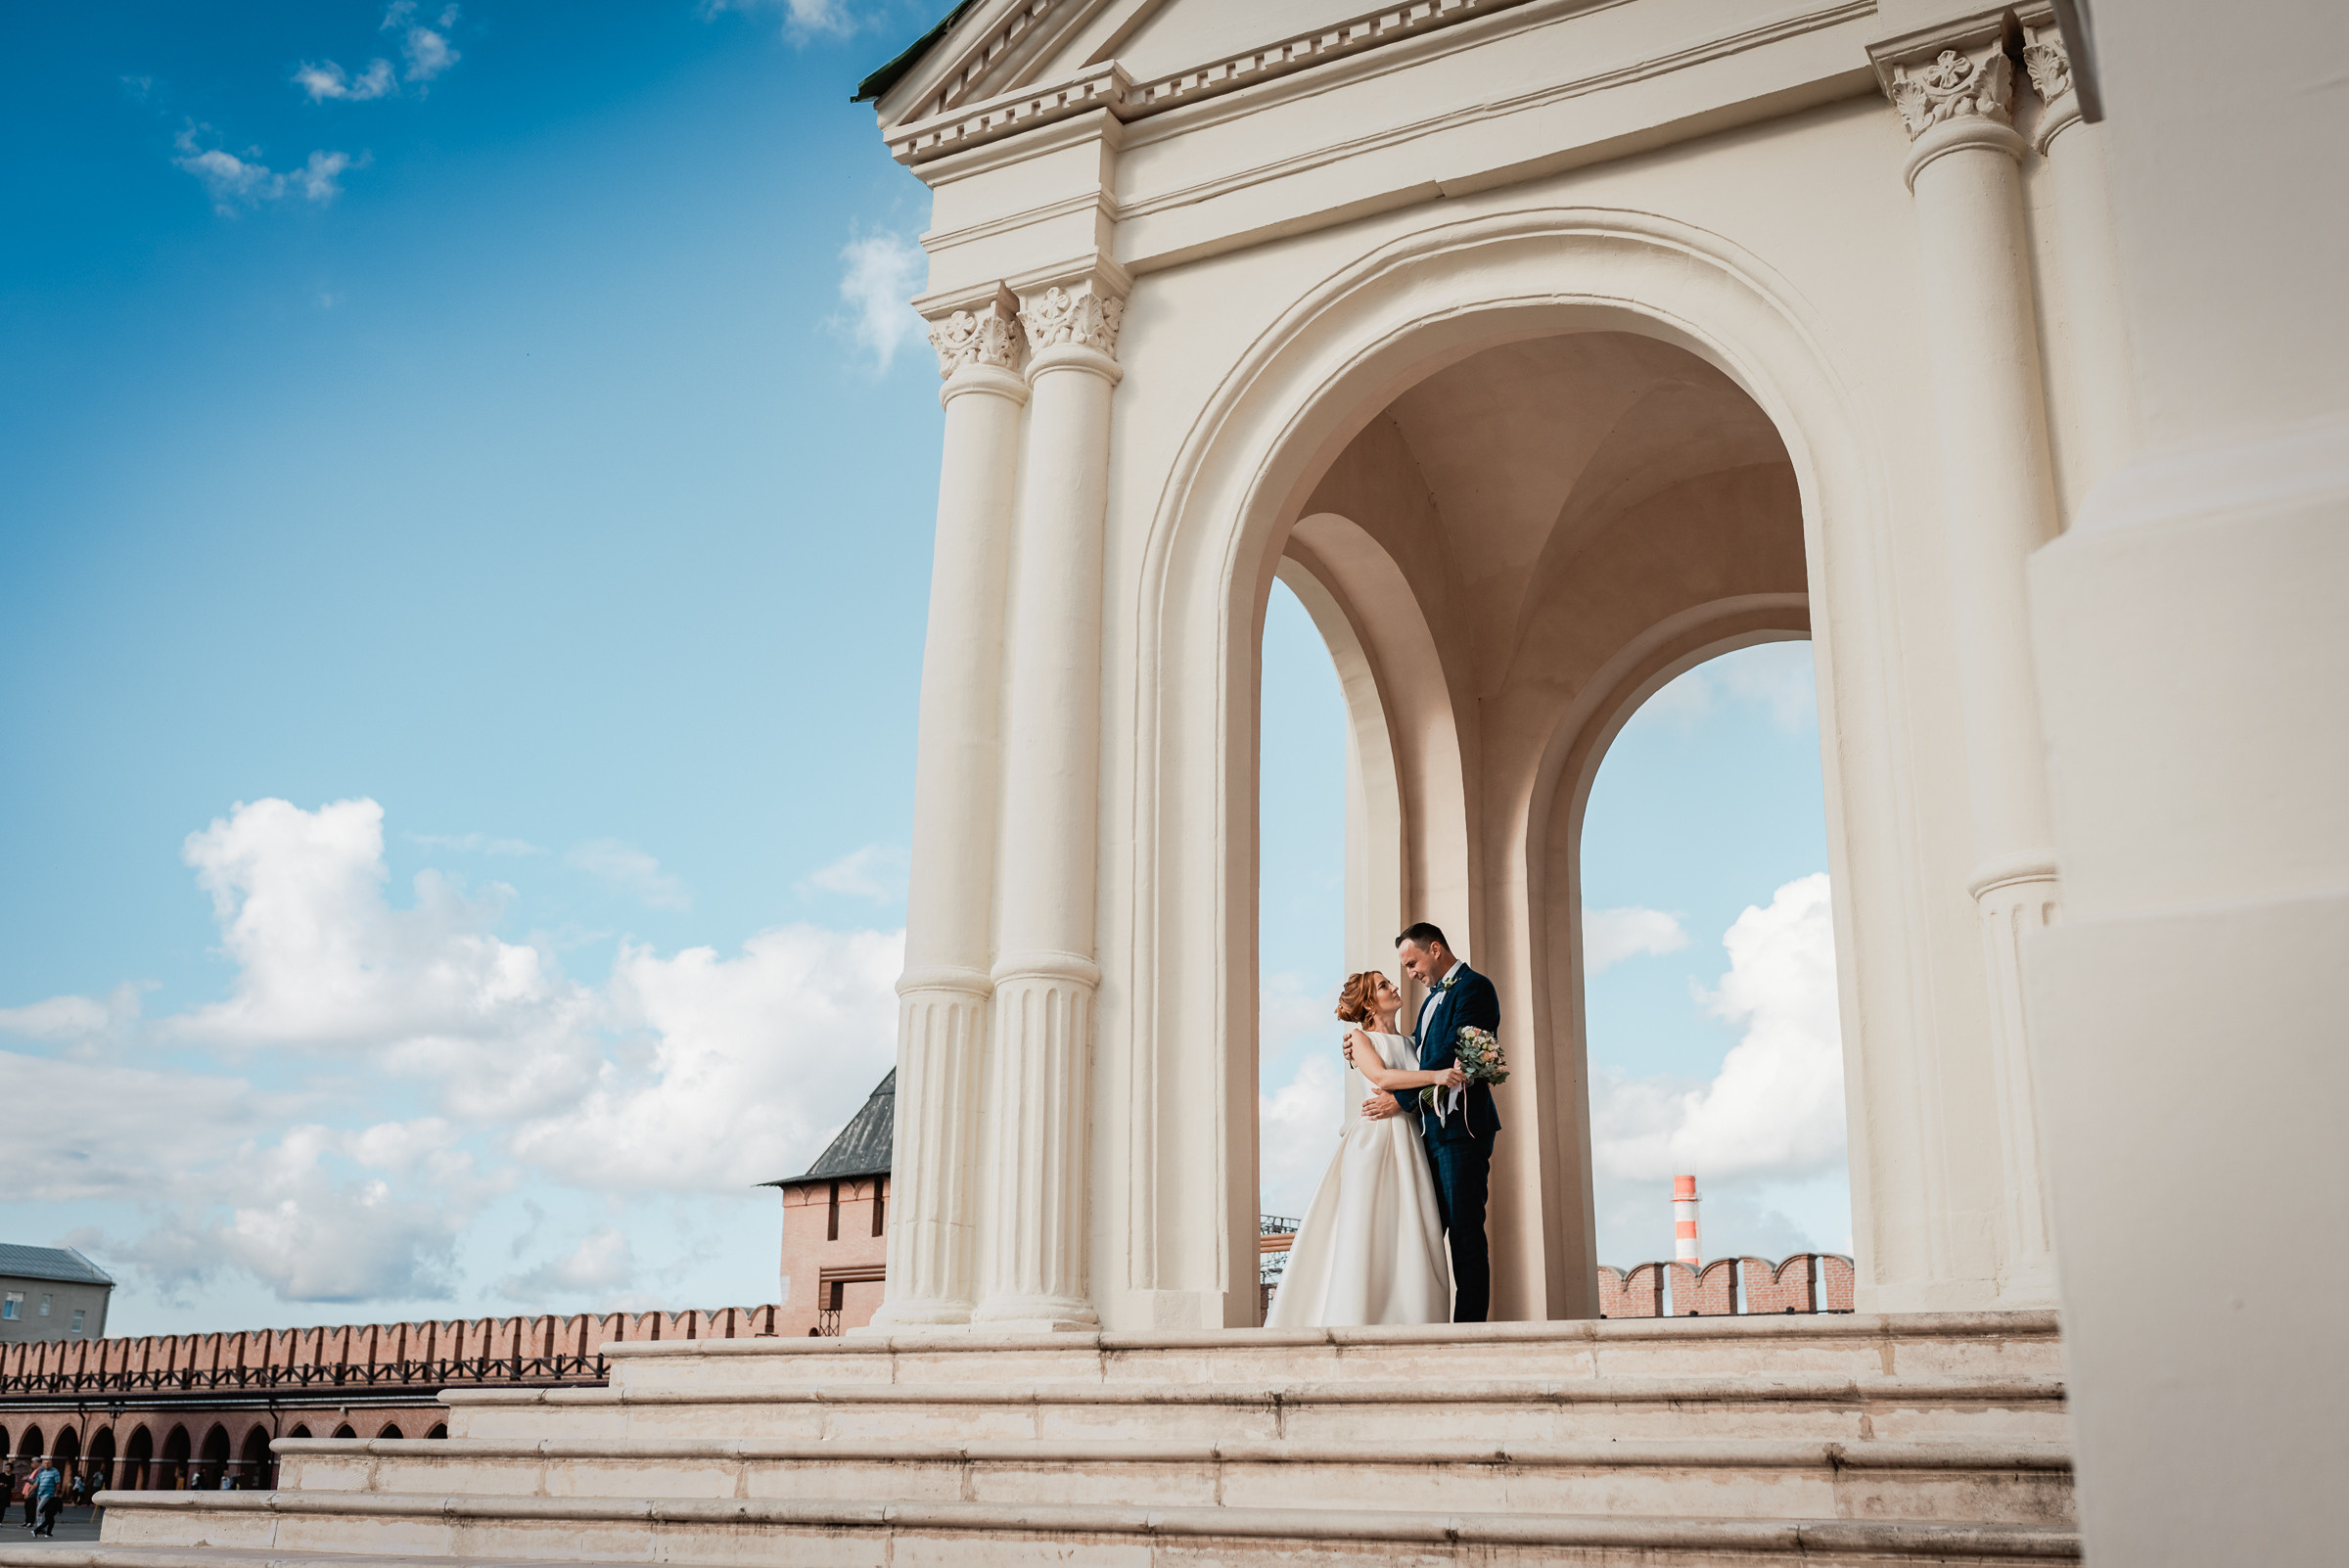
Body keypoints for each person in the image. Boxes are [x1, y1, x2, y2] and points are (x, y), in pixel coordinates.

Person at [1266, 970, 1461, 1327]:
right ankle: (1356, 1312)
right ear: (1370, 1002)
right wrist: (1435, 1076)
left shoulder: (1414, 1042)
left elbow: (1409, 1087)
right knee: (1369, 1225)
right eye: (1385, 986)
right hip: (1375, 1142)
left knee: (1410, 1229)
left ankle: (1409, 1315)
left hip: (1409, 1140)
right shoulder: (1357, 1037)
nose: (1395, 987)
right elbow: (1383, 1078)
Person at [1361, 922, 1503, 1322]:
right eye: (1405, 968)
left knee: (1464, 1231)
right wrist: (1364, 1043)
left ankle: (1469, 1329)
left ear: (1435, 949)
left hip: (1461, 1130)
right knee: (1421, 1230)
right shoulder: (1428, 1003)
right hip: (1428, 1133)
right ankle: (1413, 1318)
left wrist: (1401, 1101)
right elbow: (1416, 1056)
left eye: (1412, 963)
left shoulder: (1474, 988)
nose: (1410, 974)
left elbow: (1449, 1055)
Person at [30, 1458, 61, 1538]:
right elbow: (36, 1484)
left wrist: (56, 1493)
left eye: (48, 1463)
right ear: (43, 1464)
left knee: (39, 1509)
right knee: (47, 1514)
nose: (47, 1465)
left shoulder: (55, 1472)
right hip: (40, 1494)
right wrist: (29, 1492)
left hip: (48, 1495)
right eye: (45, 1463)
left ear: (51, 1464)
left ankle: (40, 1527)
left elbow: (58, 1483)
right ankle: (47, 1531)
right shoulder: (42, 1473)